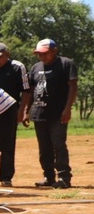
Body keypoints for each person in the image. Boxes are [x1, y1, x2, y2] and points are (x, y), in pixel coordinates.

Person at [27, 39, 77, 189]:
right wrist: (26, 111)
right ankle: (48, 176)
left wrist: (67, 109)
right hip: (39, 113)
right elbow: (30, 91)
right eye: (39, 54)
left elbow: (73, 87)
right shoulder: (35, 67)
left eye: (45, 54)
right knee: (44, 148)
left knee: (58, 145)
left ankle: (63, 177)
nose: (42, 57)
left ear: (55, 51)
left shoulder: (66, 64)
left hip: (58, 114)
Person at [0, 42, 31, 187]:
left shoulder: (17, 67)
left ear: (7, 55)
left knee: (8, 146)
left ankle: (6, 177)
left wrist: (22, 111)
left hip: (10, 113)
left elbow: (26, 91)